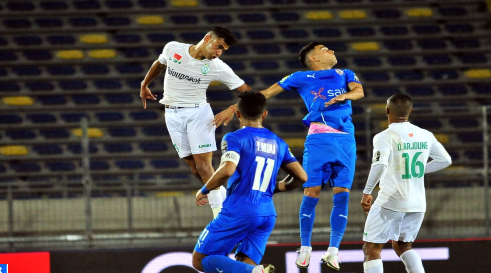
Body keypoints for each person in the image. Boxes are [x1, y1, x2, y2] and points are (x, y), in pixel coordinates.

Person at [214, 42, 364, 270]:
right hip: (319, 138)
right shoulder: (300, 77)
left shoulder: (346, 74)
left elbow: (359, 91)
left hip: (346, 138)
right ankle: (305, 248)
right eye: (325, 49)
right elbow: (263, 94)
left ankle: (333, 251)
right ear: (313, 58)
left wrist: (345, 96)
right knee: (311, 189)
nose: (332, 51)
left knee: (342, 193)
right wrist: (235, 108)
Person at [140, 26, 251, 217]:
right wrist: (144, 84)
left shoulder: (217, 66)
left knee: (203, 166)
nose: (218, 53)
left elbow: (249, 92)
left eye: (222, 50)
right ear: (207, 38)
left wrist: (233, 108)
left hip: (198, 114)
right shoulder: (173, 48)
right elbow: (159, 63)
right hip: (171, 114)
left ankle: (220, 215)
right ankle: (226, 198)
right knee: (194, 168)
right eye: (218, 47)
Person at [193, 90, 308, 273]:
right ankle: (254, 271)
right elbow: (302, 177)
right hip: (267, 214)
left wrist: (204, 190)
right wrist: (273, 189)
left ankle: (255, 272)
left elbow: (227, 170)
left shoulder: (235, 138)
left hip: (240, 210)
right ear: (264, 114)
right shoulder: (279, 143)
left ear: (238, 113)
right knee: (242, 263)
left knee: (200, 260)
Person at [360, 93, 452, 273]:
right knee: (403, 246)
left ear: (387, 110)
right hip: (417, 203)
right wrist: (415, 171)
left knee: (371, 249)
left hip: (391, 200)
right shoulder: (425, 135)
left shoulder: (384, 136)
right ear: (411, 110)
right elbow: (445, 160)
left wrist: (367, 191)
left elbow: (379, 164)